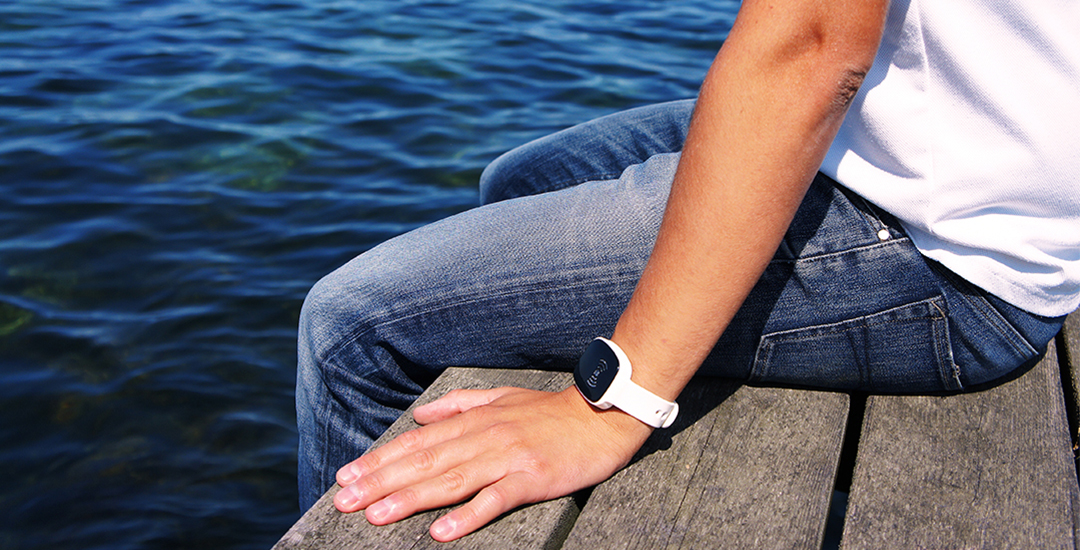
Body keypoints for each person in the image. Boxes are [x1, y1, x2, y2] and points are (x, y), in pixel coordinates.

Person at [296, 0, 1080, 542]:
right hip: (910, 140)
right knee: (521, 181)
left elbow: (808, 47)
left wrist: (610, 404)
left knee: (354, 327)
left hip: (949, 258)